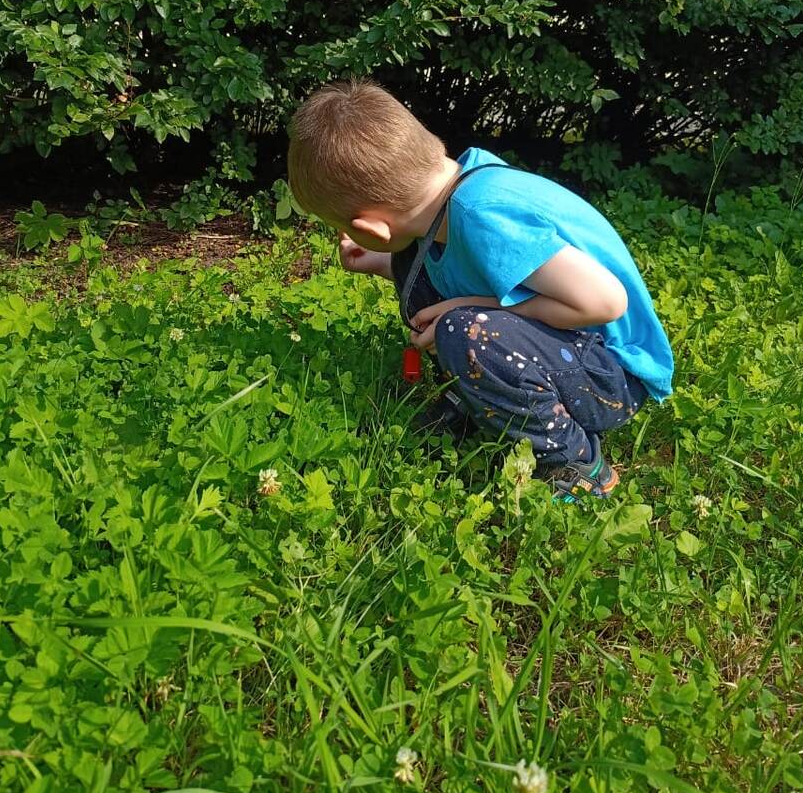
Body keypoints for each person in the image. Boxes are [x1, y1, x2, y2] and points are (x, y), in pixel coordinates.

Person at [287, 78, 674, 501]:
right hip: (571, 350)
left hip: (614, 377)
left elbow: (604, 301)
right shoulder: (455, 190)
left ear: (369, 227)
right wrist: (380, 260)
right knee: (415, 263)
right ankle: (475, 400)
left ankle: (575, 461)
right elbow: (463, 265)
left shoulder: (482, 215)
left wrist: (472, 306)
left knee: (464, 329)